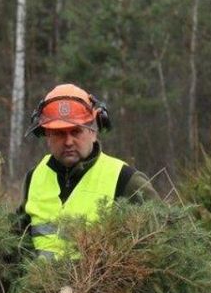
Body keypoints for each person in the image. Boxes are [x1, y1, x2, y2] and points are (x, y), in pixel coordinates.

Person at [17, 83, 157, 258]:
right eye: (59, 133)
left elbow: (158, 244)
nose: (68, 142)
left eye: (76, 131)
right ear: (46, 134)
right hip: (39, 285)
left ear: (93, 130)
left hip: (98, 285)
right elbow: (19, 241)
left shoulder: (125, 180)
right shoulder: (34, 178)